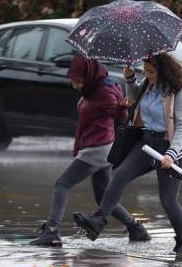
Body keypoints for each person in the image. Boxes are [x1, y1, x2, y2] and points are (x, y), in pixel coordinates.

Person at [72, 53, 182, 255]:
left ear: (165, 72)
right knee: (120, 174)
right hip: (147, 142)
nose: (148, 75)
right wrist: (130, 79)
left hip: (170, 147)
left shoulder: (179, 93)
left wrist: (172, 154)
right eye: (145, 71)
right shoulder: (148, 85)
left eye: (152, 72)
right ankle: (98, 221)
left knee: (168, 200)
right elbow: (132, 98)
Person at [29, 55, 150, 247]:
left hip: (98, 148)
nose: (74, 85)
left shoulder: (107, 92)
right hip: (97, 148)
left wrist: (121, 109)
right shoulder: (92, 89)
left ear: (89, 76)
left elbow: (120, 119)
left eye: (77, 81)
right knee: (102, 196)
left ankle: (52, 231)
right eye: (73, 81)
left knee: (62, 184)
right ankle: (136, 229)